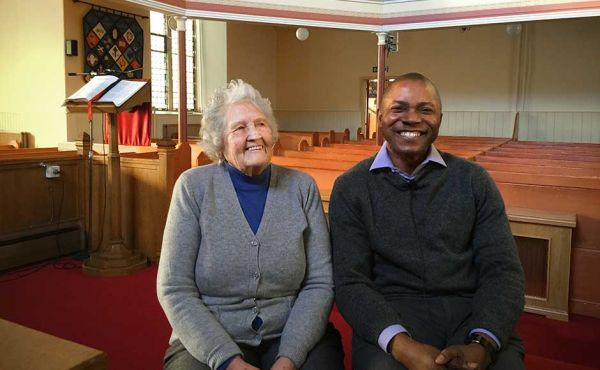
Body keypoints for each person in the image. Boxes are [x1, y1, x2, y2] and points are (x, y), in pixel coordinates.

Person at [329, 72, 525, 370]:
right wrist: (401, 345)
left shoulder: (473, 180)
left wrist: (482, 342)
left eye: (425, 109)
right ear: (380, 117)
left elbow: (503, 271)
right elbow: (350, 281)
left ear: (439, 119)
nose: (411, 118)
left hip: (469, 310)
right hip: (392, 315)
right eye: (399, 108)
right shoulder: (352, 187)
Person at [157, 80, 344, 370]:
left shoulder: (301, 187)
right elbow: (174, 287)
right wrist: (228, 361)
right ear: (219, 140)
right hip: (210, 333)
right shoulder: (193, 188)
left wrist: (289, 357)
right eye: (240, 128)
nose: (254, 134)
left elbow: (320, 281)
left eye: (261, 124)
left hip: (288, 330)